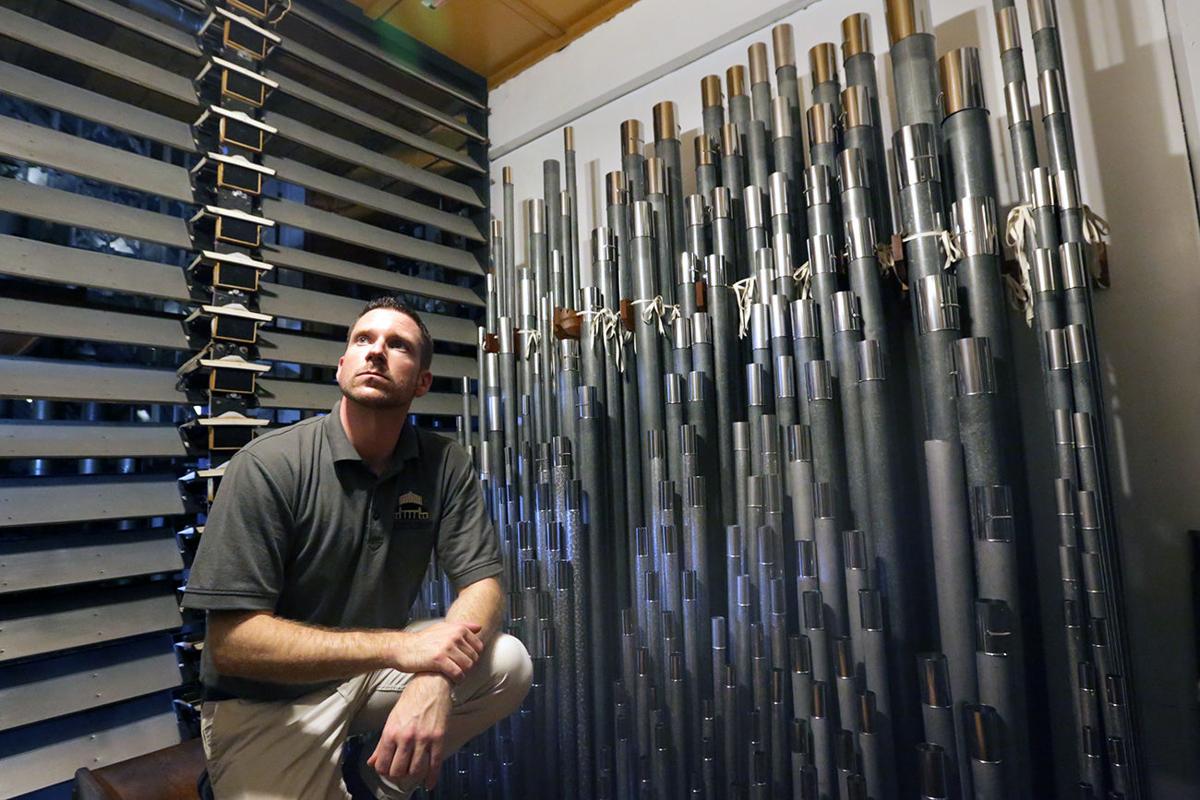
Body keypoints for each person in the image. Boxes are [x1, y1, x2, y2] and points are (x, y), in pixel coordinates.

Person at [182, 296, 531, 799]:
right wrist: (401, 648)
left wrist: (434, 679)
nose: (376, 351)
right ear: (342, 365)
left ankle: (373, 786)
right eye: (363, 339)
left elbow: (483, 585)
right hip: (267, 702)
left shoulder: (443, 463)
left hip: (366, 673)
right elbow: (232, 644)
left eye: (398, 345)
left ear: (422, 382)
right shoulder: (268, 465)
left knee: (508, 663)